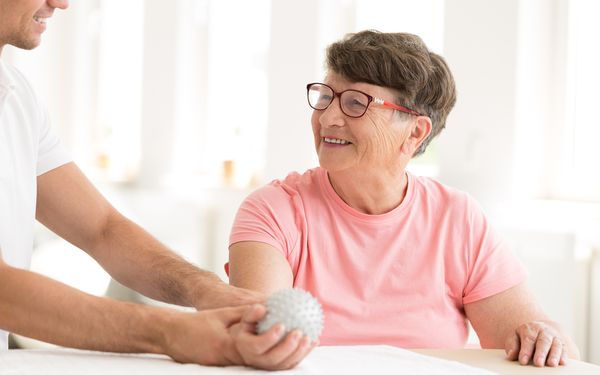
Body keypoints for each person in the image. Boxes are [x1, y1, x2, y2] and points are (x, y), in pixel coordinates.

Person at [228, 30, 580, 368]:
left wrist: (546, 339)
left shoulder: (457, 218)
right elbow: (260, 340)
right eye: (325, 97)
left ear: (415, 131)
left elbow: (539, 342)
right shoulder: (273, 210)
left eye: (355, 103)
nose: (328, 118)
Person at [0, 0, 313, 370]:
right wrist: (170, 331)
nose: (61, 3)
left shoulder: (18, 96)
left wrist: (206, 290)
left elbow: (102, 229)